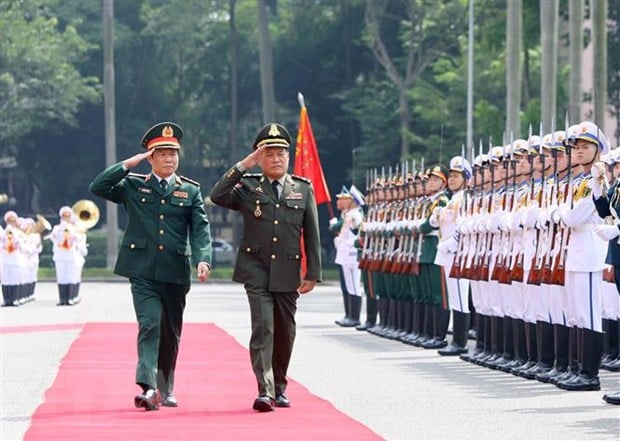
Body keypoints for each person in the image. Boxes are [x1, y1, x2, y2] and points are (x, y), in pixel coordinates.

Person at [89, 121, 213, 411]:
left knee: (170, 331)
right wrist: (130, 163)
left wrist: (203, 258)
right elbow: (99, 186)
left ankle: (165, 387)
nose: (169, 159)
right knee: (149, 325)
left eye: (174, 154)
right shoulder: (132, 186)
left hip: (175, 271)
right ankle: (148, 387)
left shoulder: (190, 191)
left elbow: (200, 229)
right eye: (162, 153)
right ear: (151, 157)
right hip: (142, 270)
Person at [209, 122, 322, 412]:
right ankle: (265, 390)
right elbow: (218, 195)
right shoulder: (248, 187)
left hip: (288, 270)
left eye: (281, 153)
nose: (276, 159)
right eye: (269, 154)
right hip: (255, 268)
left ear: (288, 157)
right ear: (261, 157)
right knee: (264, 329)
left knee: (285, 332)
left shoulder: (302, 188)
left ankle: (280, 385)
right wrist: (245, 165)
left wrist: (313, 273)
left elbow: (312, 233)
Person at [330, 185, 365, 327]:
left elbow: (358, 231)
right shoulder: (349, 215)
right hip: (346, 254)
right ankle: (351, 315)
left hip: (352, 255)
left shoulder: (355, 215)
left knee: (355, 286)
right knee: (350, 286)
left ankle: (355, 317)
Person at [49, 207, 88, 306]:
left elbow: (78, 238)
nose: (66, 218)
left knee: (71, 276)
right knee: (61, 277)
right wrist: (62, 228)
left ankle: (71, 297)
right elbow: (52, 237)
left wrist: (70, 229)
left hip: (71, 255)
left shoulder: (75, 228)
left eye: (68, 216)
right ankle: (62, 299)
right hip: (60, 256)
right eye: (64, 216)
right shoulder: (57, 228)